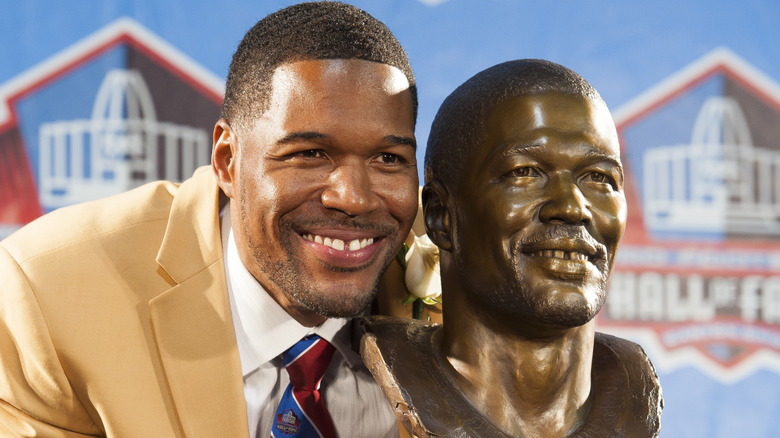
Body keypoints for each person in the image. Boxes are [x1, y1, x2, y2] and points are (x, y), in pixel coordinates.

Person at [0, 2, 419, 437]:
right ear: (227, 161)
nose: (353, 198)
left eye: (389, 158)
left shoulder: (465, 267)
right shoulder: (48, 295)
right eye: (309, 154)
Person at [361, 59, 663, 437]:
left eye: (599, 177)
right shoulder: (356, 402)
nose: (572, 207)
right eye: (525, 173)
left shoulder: (633, 398)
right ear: (441, 217)